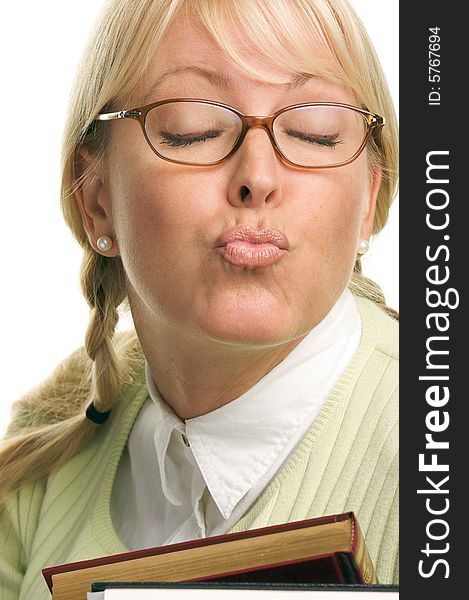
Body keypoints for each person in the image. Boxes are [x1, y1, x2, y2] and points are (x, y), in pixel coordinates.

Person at [0, 0, 399, 597]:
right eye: (193, 130)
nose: (258, 177)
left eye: (315, 131)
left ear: (369, 197)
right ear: (96, 197)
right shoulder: (49, 436)